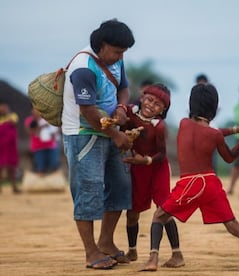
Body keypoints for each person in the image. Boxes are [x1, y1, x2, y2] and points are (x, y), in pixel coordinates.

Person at [140, 83, 239, 271]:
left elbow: (209, 132)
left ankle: (153, 260)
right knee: (233, 224)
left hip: (189, 183)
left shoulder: (183, 124)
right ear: (214, 108)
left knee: (159, 217)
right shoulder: (214, 134)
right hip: (210, 183)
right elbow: (229, 157)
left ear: (191, 104)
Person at [61, 19, 135, 270]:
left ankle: (106, 242)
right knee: (89, 188)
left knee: (120, 186)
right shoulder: (83, 67)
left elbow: (123, 88)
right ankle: (90, 251)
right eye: (116, 52)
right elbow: (88, 111)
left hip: (110, 131)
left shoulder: (116, 60)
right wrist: (116, 134)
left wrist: (122, 107)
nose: (119, 57)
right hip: (83, 134)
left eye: (123, 53)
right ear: (102, 45)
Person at [121, 84, 184, 267]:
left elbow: (162, 155)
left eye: (158, 104)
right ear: (141, 97)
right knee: (132, 213)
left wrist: (146, 161)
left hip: (156, 168)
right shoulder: (129, 112)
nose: (151, 105)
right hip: (137, 168)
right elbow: (119, 119)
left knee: (164, 209)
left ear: (163, 110)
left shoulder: (159, 127)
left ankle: (177, 254)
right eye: (149, 99)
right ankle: (132, 250)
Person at [24, 108, 60, 174]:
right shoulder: (29, 120)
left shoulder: (48, 119)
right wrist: (41, 127)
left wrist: (55, 133)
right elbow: (29, 132)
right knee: (40, 167)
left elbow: (57, 128)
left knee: (54, 166)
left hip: (51, 146)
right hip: (38, 147)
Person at [0, 101, 20, 194]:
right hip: (1, 147)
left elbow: (13, 122)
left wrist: (7, 113)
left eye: (4, 107)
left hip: (11, 147)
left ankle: (14, 187)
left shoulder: (12, 116)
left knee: (12, 168)